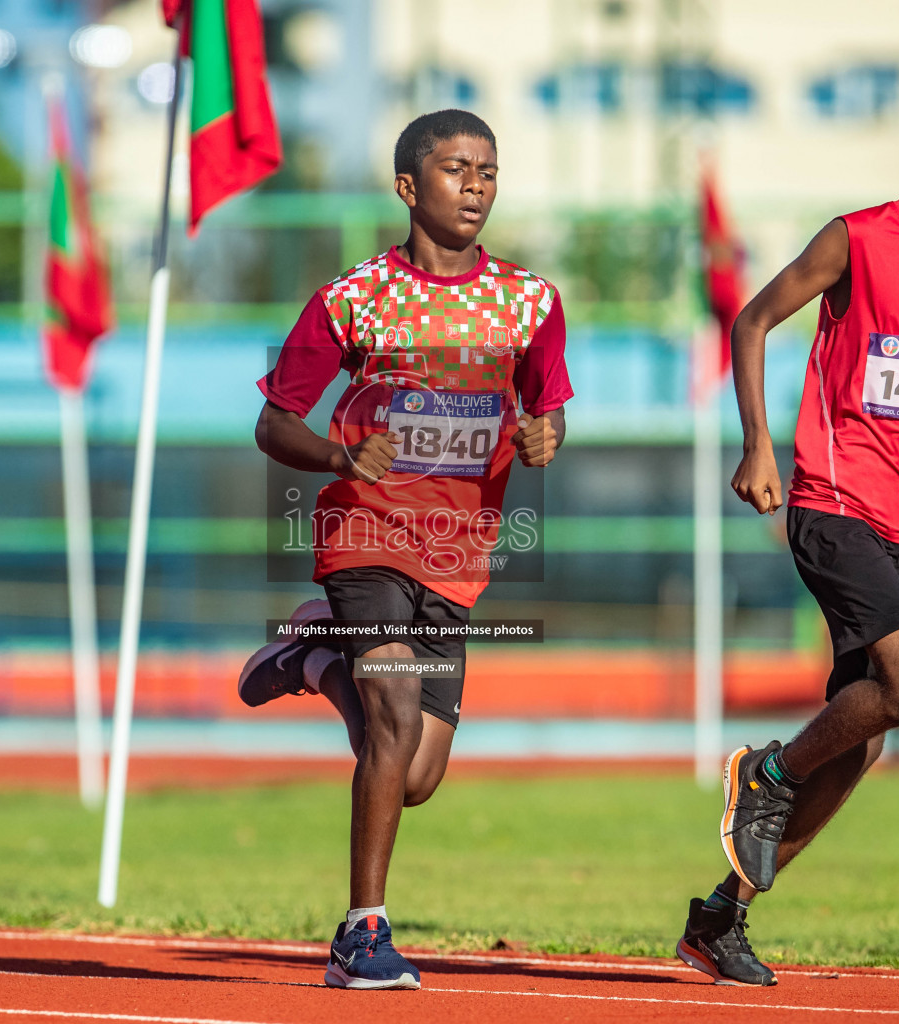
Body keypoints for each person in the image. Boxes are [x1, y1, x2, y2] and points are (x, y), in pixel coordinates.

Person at [676, 60, 899, 987]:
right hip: (832, 501)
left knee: (863, 738)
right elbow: (752, 322)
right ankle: (765, 775)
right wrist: (759, 444)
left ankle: (720, 917)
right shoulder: (858, 238)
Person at [239, 108, 573, 990]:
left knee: (414, 774)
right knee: (389, 719)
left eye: (489, 171)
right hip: (366, 531)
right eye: (458, 169)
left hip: (458, 551)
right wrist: (340, 455)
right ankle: (362, 934)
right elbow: (275, 422)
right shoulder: (353, 298)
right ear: (408, 187)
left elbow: (548, 410)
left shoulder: (531, 302)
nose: (476, 186)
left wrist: (546, 438)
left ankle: (314, 662)